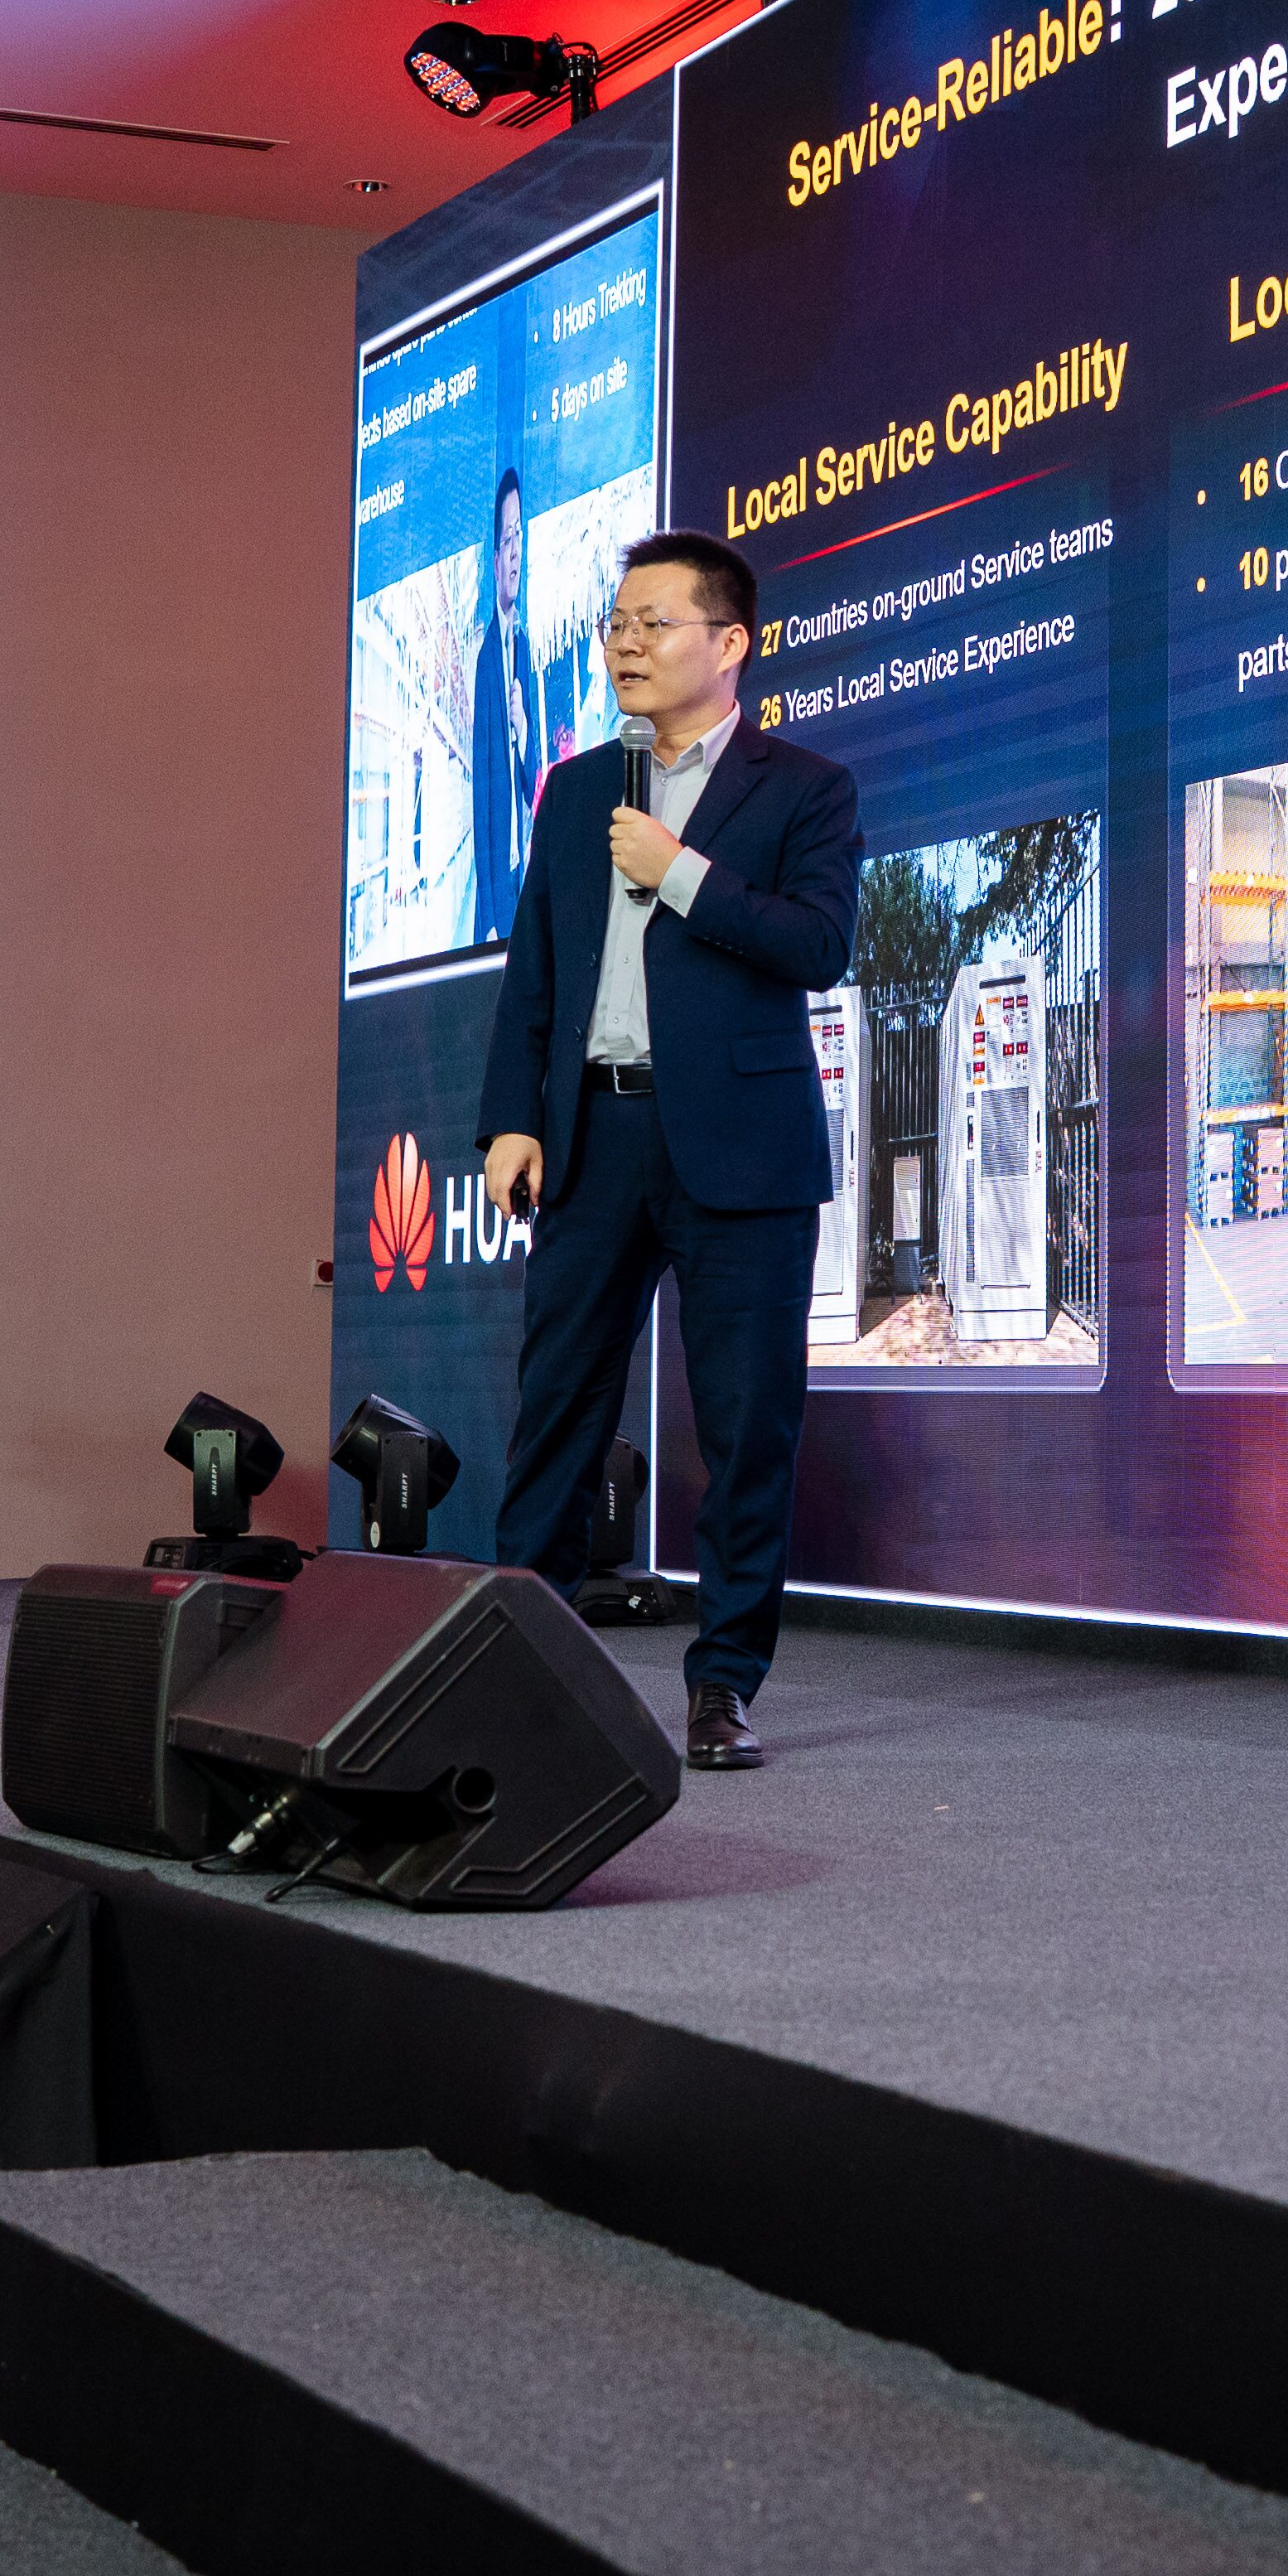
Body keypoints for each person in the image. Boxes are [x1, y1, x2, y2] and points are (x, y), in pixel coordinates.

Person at [477, 530, 859, 1771]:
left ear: (729, 641)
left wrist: (683, 872)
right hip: (594, 1134)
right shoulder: (579, 788)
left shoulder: (804, 788)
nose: (626, 646)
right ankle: (513, 1670)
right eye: (617, 625)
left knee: (747, 1426)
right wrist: (513, 1116)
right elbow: (536, 967)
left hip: (743, 1148)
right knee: (557, 1412)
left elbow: (819, 945)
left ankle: (724, 1682)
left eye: (654, 623)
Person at [466, 468, 536, 946]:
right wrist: (489, 912)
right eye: (508, 539)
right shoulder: (487, 661)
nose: (516, 552)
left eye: (520, 536)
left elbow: (531, 782)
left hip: (523, 877)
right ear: (494, 561)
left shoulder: (523, 648)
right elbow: (483, 797)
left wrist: (525, 730)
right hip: (499, 896)